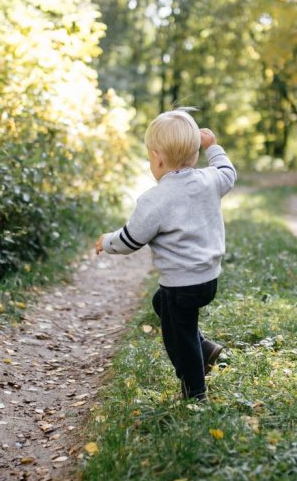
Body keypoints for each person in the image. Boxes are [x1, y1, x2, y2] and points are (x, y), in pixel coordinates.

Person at [95, 108, 237, 400]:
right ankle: (206, 349)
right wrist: (214, 146)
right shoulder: (209, 180)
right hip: (208, 280)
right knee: (162, 303)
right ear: (194, 155)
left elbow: (130, 240)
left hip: (182, 285)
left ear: (157, 158)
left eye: (149, 157)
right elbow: (228, 173)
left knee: (178, 339)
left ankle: (195, 391)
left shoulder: (155, 200)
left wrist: (106, 241)